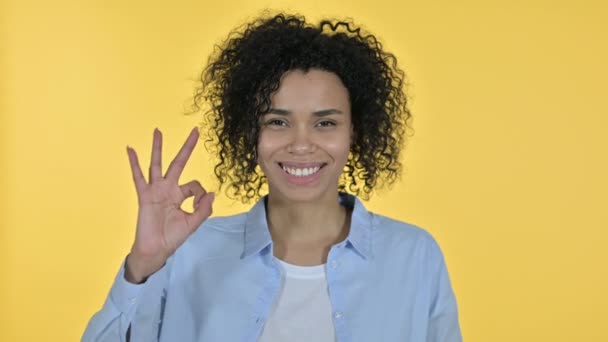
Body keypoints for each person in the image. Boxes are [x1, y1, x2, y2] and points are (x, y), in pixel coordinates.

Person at [82, 13, 462, 342]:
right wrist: (143, 266)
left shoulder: (414, 256)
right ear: (251, 133)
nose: (301, 144)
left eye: (325, 123)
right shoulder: (189, 253)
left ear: (355, 134)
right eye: (277, 122)